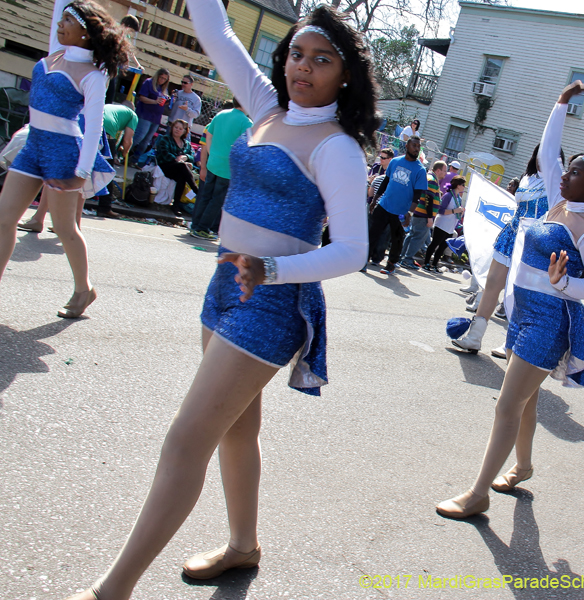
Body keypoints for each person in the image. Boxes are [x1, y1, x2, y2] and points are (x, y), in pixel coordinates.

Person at [62, 2, 377, 598]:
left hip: (271, 301)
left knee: (188, 437)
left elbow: (352, 252)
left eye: (322, 60)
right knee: (236, 430)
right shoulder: (267, 107)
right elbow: (215, 30)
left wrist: (274, 269)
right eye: (296, 55)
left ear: (346, 75)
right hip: (224, 283)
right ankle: (242, 546)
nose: (301, 68)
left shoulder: (338, 148)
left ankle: (114, 589)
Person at [436, 81, 584, 519]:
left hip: (550, 321)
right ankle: (523, 466)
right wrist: (561, 101)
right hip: (520, 314)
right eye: (567, 169)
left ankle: (478, 493)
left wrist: (565, 285)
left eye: (575, 171)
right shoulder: (558, 202)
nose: (564, 173)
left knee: (506, 405)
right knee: (527, 400)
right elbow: (549, 148)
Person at [0, 0, 129, 318]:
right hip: (34, 146)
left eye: (68, 20)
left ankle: (84, 289)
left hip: (64, 153)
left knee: (65, 228)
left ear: (86, 33)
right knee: (4, 219)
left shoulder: (94, 75)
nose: (60, 23)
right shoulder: (53, 54)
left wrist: (82, 173)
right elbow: (60, 9)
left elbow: (94, 127)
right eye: (62, 17)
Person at [452, 143, 563, 356]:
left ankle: (510, 342)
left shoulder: (558, 182)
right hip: (511, 234)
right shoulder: (527, 177)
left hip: (534, 242)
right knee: (491, 284)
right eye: (540, 153)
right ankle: (474, 337)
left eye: (549, 154)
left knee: (519, 293)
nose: (543, 158)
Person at [190, 98, 252, 240]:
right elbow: (247, 147)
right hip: (228, 167)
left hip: (214, 162)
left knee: (206, 196)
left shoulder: (221, 114)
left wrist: (213, 154)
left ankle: (196, 225)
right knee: (217, 200)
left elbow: (208, 136)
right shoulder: (247, 123)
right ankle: (202, 229)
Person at [366, 136, 428, 275]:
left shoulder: (420, 170)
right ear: (407, 146)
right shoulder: (395, 162)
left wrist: (409, 213)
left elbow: (417, 195)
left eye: (418, 147)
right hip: (384, 204)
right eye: (414, 146)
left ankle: (391, 264)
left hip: (401, 211)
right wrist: (375, 199)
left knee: (397, 239)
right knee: (372, 233)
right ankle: (364, 259)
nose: (416, 149)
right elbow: (386, 181)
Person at [399, 160, 446, 270]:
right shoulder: (432, 180)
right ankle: (407, 259)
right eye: (444, 171)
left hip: (419, 213)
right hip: (423, 215)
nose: (446, 173)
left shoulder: (429, 178)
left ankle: (403, 257)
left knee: (412, 235)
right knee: (418, 237)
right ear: (438, 170)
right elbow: (428, 199)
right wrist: (430, 217)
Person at [154, 118, 199, 216]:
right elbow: (164, 154)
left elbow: (192, 157)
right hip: (166, 166)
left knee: (182, 176)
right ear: (172, 128)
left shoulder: (186, 144)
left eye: (180, 128)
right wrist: (179, 161)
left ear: (184, 131)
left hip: (179, 169)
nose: (177, 130)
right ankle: (197, 191)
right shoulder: (165, 139)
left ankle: (175, 205)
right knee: (182, 167)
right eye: (176, 127)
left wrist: (185, 157)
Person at [424, 175, 465, 271]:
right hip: (441, 224)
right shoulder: (448, 195)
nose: (464, 187)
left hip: (450, 227)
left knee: (442, 247)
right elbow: (440, 210)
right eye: (463, 185)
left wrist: (461, 211)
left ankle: (434, 265)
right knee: (434, 244)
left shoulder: (458, 197)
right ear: (458, 185)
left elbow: (457, 211)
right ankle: (426, 263)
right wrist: (455, 210)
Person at [132, 68, 170, 158]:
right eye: (161, 77)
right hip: (145, 114)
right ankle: (121, 153)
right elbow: (142, 97)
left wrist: (167, 101)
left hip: (156, 117)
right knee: (139, 136)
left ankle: (135, 159)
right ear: (157, 76)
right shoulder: (149, 82)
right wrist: (155, 101)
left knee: (146, 140)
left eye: (165, 79)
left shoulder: (163, 88)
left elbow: (162, 102)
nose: (162, 80)